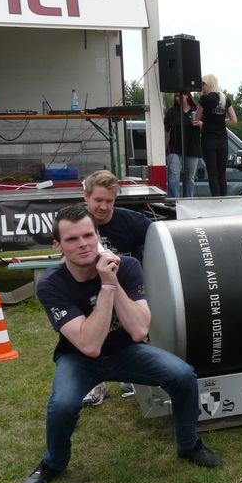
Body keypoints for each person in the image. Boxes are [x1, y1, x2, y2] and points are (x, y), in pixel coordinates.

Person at [19, 205, 220, 483]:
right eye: (72, 239)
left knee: (183, 375)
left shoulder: (126, 266)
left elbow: (138, 330)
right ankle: (54, 463)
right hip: (79, 358)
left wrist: (111, 279)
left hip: (126, 351)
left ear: (98, 235)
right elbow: (89, 345)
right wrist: (106, 288)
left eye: (88, 235)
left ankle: (189, 445)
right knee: (62, 405)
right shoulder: (51, 284)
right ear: (58, 245)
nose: (83, 244)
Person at [81, 170, 152, 405]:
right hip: (92, 289)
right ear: (86, 196)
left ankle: (132, 377)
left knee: (136, 329)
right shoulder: (76, 223)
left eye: (109, 201)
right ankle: (94, 383)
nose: (103, 206)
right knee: (88, 330)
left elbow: (161, 241)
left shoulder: (133, 221)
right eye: (98, 200)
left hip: (129, 289)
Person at [196, 74, 237, 197]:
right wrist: (220, 122)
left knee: (212, 174)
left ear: (208, 84)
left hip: (209, 140)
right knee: (221, 174)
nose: (201, 86)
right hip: (223, 140)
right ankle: (223, 200)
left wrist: (208, 122)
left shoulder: (205, 99)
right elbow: (234, 120)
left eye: (202, 83)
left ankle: (216, 200)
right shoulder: (224, 98)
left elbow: (196, 118)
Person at [164, 92, 202, 198]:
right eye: (175, 96)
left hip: (193, 149)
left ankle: (189, 200)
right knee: (173, 176)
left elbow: (208, 128)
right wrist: (162, 148)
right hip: (174, 149)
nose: (177, 98)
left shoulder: (196, 110)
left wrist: (200, 124)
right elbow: (165, 130)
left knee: (190, 178)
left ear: (187, 95)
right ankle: (174, 200)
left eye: (179, 95)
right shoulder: (172, 112)